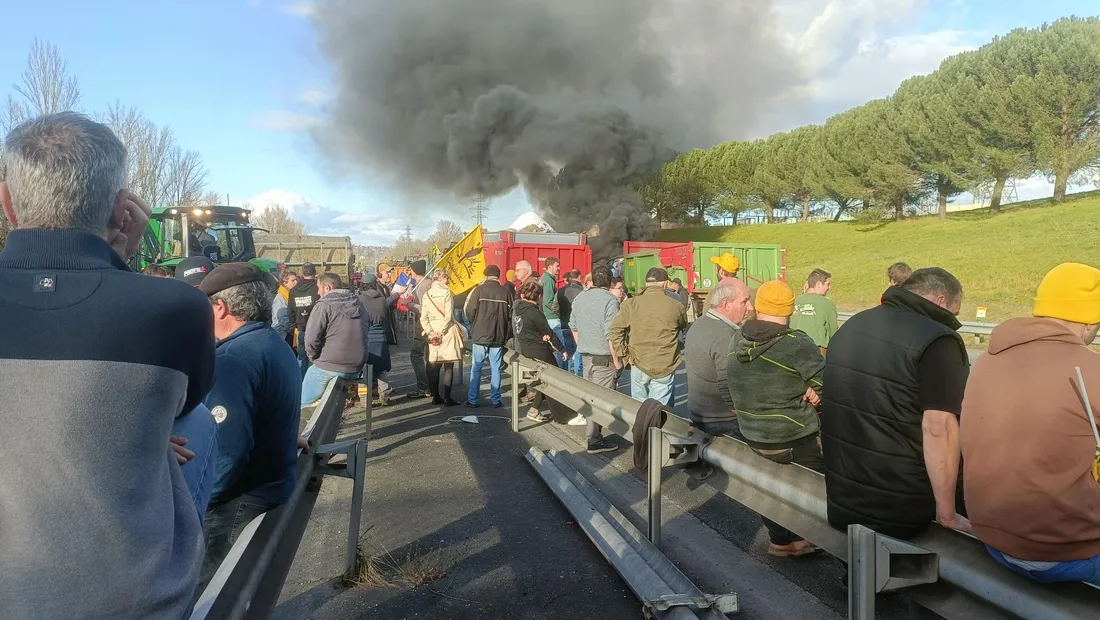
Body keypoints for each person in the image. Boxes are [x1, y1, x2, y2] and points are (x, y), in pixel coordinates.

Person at [0, 112, 215, 619]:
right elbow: (185, 402)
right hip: (136, 604)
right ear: (122, 209)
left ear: (6, 201)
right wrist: (125, 262)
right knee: (196, 424)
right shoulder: (177, 308)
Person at [961, 263, 1100, 586]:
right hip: (1064, 551)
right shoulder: (1091, 369)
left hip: (994, 538)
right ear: (1090, 320)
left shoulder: (988, 359)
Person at [821, 267, 970, 539]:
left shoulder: (854, 323)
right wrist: (947, 513)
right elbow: (939, 428)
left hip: (845, 494)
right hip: (903, 504)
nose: (952, 321)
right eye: (953, 313)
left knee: (862, 575)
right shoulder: (938, 340)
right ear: (940, 301)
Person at [195, 263, 301, 587]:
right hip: (273, 488)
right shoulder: (273, 343)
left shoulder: (232, 359)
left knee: (206, 595)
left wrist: (199, 501)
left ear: (220, 307)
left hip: (241, 502)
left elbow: (229, 452)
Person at [728, 280, 826, 557]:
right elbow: (828, 382)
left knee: (769, 487)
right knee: (818, 487)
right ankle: (818, 538)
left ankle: (780, 540)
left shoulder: (737, 338)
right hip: (792, 434)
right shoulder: (796, 343)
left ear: (758, 307)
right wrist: (813, 390)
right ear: (790, 309)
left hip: (752, 434)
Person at [685, 278, 753, 438]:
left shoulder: (699, 324)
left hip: (698, 414)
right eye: (745, 302)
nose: (750, 307)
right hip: (722, 422)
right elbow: (728, 386)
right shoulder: (725, 336)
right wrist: (747, 417)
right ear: (726, 304)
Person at [609, 268, 687, 406]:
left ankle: (642, 427)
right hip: (665, 363)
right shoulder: (676, 306)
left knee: (639, 408)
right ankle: (655, 427)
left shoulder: (631, 304)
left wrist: (624, 354)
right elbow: (682, 325)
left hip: (638, 361)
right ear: (664, 284)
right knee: (658, 410)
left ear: (646, 284)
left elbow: (615, 329)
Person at [567, 266, 619, 453]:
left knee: (591, 398)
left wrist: (581, 344)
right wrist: (617, 360)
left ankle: (593, 436)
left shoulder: (581, 298)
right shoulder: (610, 301)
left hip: (586, 355)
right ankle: (594, 440)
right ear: (609, 282)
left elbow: (573, 325)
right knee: (603, 400)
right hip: (603, 357)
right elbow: (611, 333)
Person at [301, 272, 367, 407]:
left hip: (330, 365)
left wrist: (313, 357)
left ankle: (305, 421)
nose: (318, 292)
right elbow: (367, 328)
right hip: (357, 366)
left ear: (328, 288)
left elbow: (311, 339)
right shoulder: (358, 304)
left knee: (302, 402)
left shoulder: (323, 306)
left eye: (319, 288)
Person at [513, 280, 568, 422]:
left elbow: (526, 329)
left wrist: (539, 335)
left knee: (544, 380)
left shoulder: (518, 309)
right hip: (538, 350)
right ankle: (562, 414)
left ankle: (534, 409)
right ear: (538, 297)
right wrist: (562, 350)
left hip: (525, 348)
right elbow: (549, 333)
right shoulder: (535, 313)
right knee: (553, 378)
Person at [464, 265, 513, 408]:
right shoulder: (506, 293)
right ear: (498, 276)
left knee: (477, 367)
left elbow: (469, 311)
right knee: (495, 367)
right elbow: (511, 316)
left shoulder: (479, 290)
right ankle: (495, 400)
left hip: (480, 335)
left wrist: (475, 324)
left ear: (486, 276)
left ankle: (472, 399)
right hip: (498, 336)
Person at [421, 269, 463, 406]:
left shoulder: (427, 294)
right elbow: (449, 315)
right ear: (442, 278)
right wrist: (441, 331)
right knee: (448, 366)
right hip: (447, 332)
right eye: (447, 279)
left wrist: (431, 332)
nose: (448, 281)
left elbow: (423, 318)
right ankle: (447, 398)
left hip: (432, 331)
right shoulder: (446, 292)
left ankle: (436, 397)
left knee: (434, 365)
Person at [358, 272, 399, 406]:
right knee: (382, 368)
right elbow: (389, 306)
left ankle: (364, 400)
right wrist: (398, 295)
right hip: (381, 336)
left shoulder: (359, 300)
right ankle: (385, 396)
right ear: (375, 284)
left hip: (365, 337)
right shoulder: (382, 300)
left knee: (363, 371)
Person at [790, 268, 839, 356]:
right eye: (828, 284)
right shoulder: (827, 304)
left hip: (792, 348)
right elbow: (834, 334)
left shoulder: (795, 301)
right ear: (819, 284)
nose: (829, 288)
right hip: (816, 350)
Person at [404, 259, 432, 398]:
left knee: (416, 354)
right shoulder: (430, 283)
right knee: (430, 356)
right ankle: (431, 385)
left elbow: (424, 309)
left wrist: (408, 304)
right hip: (432, 325)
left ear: (414, 272)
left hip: (422, 325)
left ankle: (423, 388)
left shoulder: (421, 286)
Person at [287, 262, 320, 376]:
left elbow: (290, 311)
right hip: (317, 330)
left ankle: (299, 387)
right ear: (315, 273)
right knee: (317, 360)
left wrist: (295, 325)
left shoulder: (293, 290)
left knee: (302, 359)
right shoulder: (318, 288)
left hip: (301, 330)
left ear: (301, 274)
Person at [557, 268, 585, 376]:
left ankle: (565, 377)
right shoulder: (582, 292)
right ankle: (578, 377)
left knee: (566, 352)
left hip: (564, 324)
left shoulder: (560, 291)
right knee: (578, 352)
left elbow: (554, 308)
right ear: (579, 277)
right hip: (578, 326)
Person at [541, 257, 566, 368]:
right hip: (552, 318)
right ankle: (561, 373)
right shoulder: (549, 280)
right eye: (557, 266)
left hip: (547, 316)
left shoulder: (545, 279)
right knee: (560, 346)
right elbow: (548, 301)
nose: (559, 268)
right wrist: (556, 312)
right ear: (550, 267)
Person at [272, 269, 298, 345]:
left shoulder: (292, 294)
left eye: (296, 279)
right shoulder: (280, 297)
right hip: (284, 335)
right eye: (293, 280)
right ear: (285, 283)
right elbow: (283, 319)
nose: (296, 282)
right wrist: (294, 330)